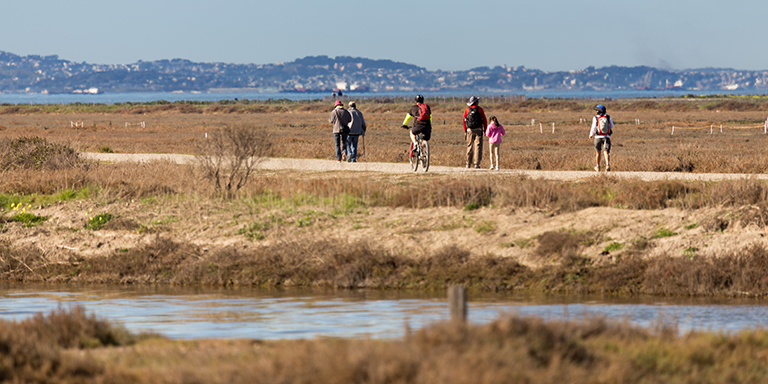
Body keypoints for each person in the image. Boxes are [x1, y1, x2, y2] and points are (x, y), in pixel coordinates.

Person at [463, 96, 487, 168]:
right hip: (478, 130)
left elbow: (464, 120)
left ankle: (468, 163)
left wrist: (465, 130)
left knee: (469, 146)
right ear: (476, 102)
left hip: (469, 129)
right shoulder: (480, 109)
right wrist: (485, 130)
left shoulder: (467, 109)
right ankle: (476, 163)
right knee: (478, 146)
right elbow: (484, 120)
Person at [588, 104, 614, 172]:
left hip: (597, 137)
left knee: (598, 152)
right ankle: (607, 164)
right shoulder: (608, 117)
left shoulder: (595, 118)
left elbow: (593, 127)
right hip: (606, 137)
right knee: (606, 152)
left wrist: (591, 135)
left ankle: (597, 166)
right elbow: (612, 125)